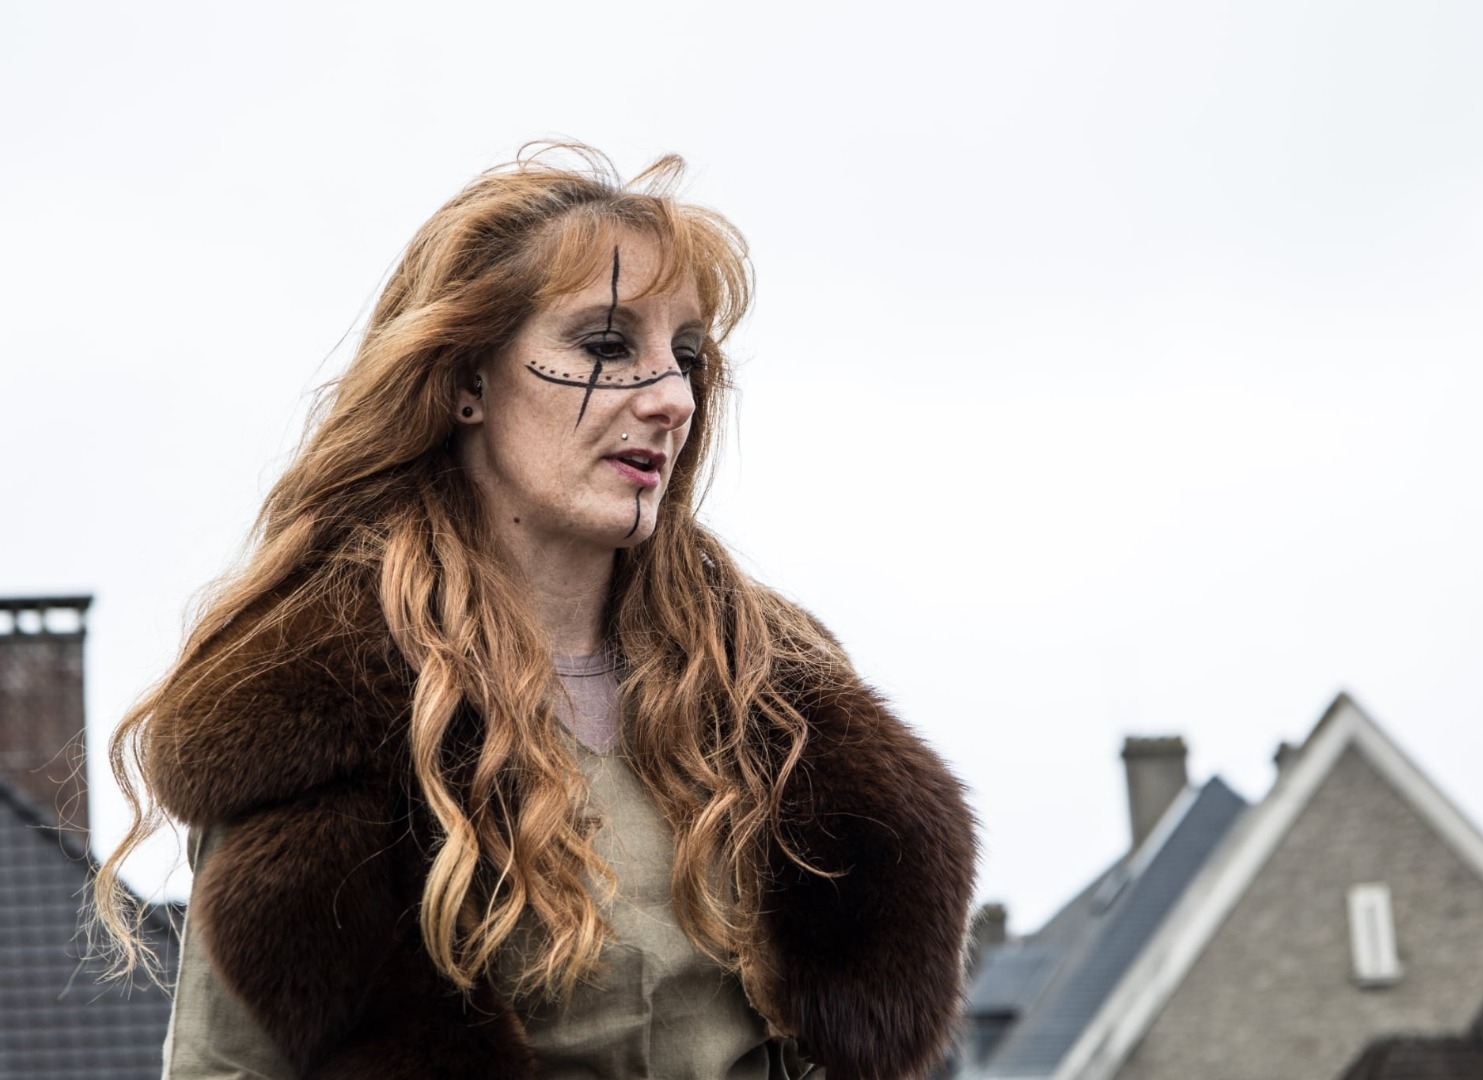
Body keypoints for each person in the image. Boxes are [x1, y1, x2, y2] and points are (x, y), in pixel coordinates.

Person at [96, 145, 977, 1080]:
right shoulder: (318, 710)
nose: (671, 399)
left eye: (685, 358)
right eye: (607, 346)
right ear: (467, 382)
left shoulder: (769, 697)